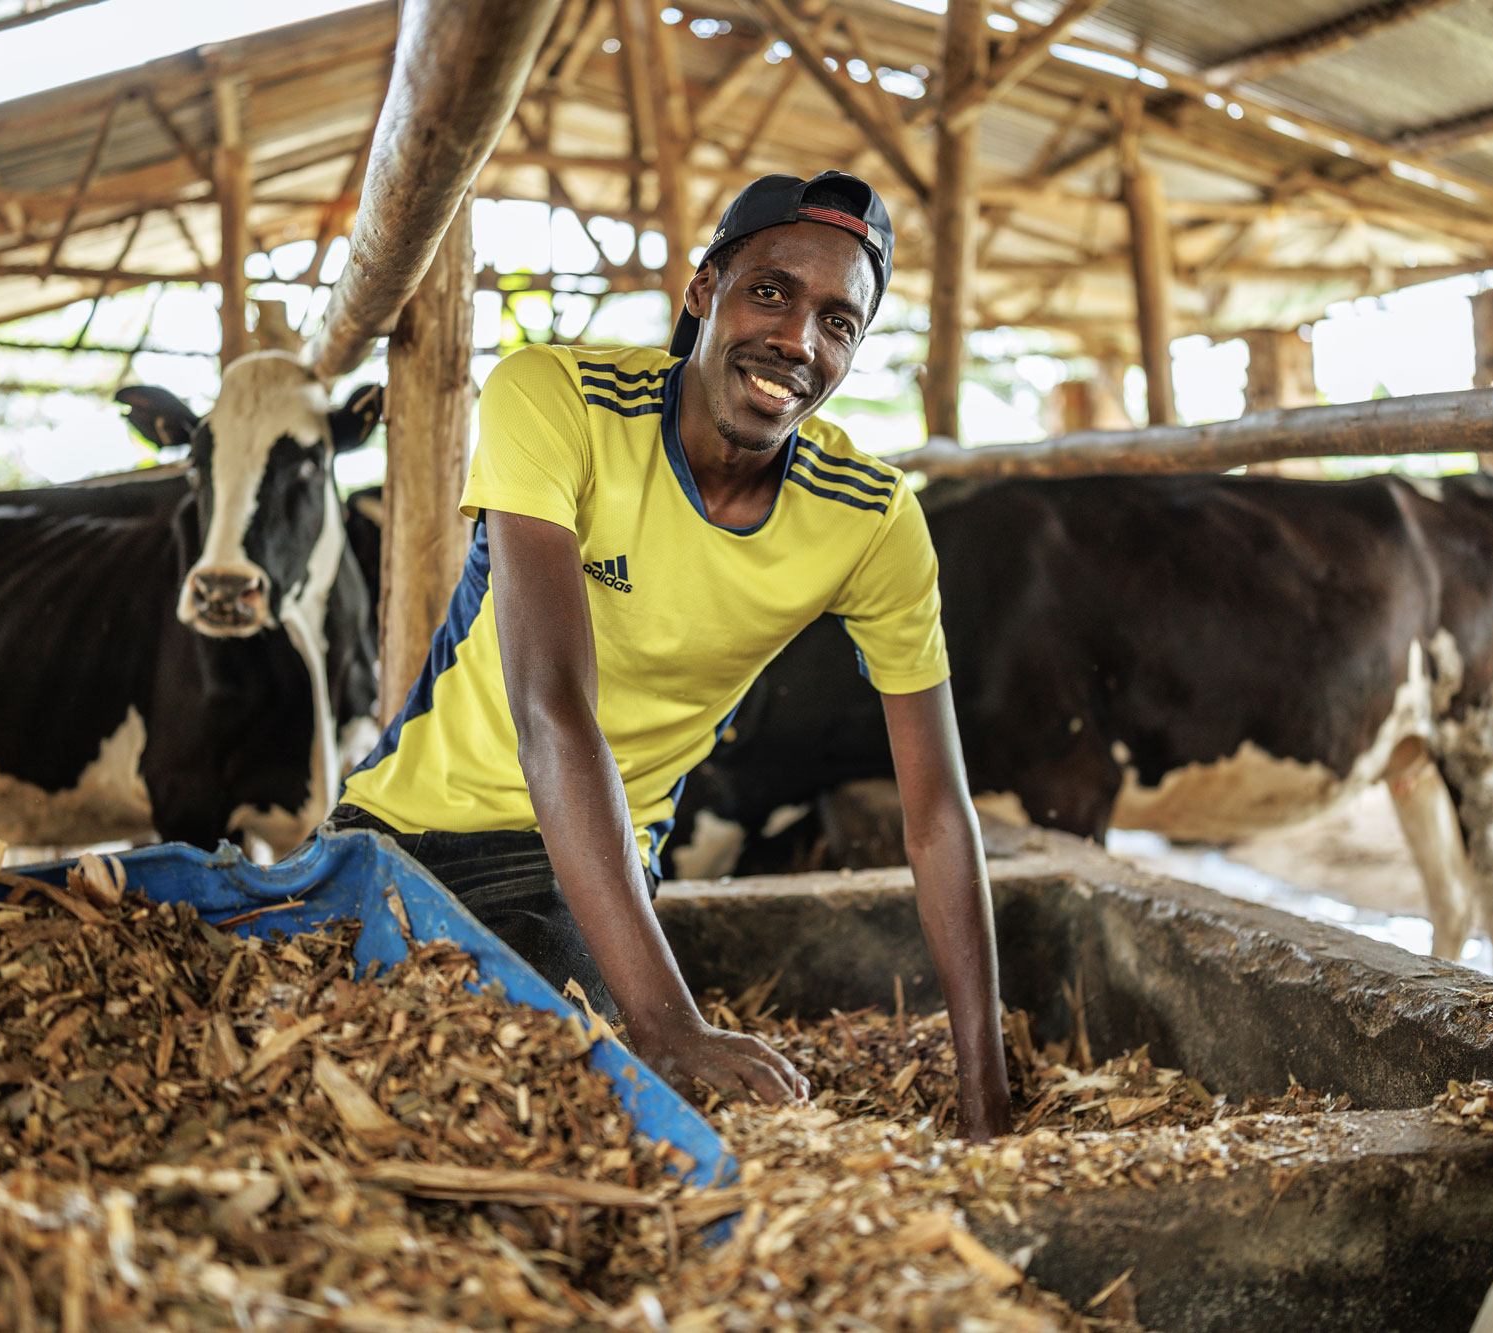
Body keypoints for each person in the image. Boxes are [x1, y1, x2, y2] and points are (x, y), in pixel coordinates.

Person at [329, 171, 1011, 1138]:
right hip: (398, 836)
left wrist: (985, 1093)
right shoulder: (558, 400)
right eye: (770, 291)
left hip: (578, 875)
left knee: (555, 1100)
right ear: (703, 291)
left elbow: (938, 813)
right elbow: (549, 713)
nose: (797, 342)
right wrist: (668, 1024)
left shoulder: (870, 520)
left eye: (839, 323)